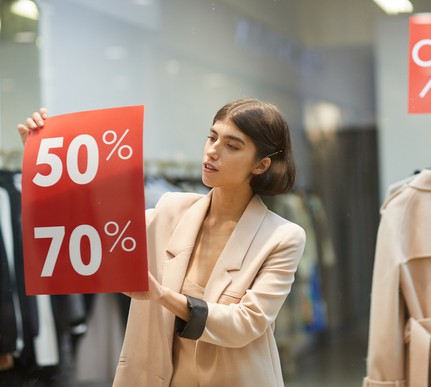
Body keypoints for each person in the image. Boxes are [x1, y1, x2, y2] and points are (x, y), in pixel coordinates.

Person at [17, 98, 306, 387]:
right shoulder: (170, 210)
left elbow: (246, 323)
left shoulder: (282, 237)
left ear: (261, 164)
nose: (213, 151)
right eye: (212, 137)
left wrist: (161, 295)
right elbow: (90, 227)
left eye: (232, 146)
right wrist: (44, 160)